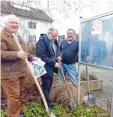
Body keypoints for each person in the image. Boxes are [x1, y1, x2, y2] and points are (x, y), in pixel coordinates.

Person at [1, 14, 38, 117]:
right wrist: (16, 54)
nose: (14, 24)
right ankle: (13, 115)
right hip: (9, 74)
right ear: (6, 23)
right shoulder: (2, 36)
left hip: (19, 71)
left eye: (16, 23)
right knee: (14, 97)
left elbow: (23, 51)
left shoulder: (17, 35)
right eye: (12, 22)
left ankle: (14, 114)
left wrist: (31, 57)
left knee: (17, 95)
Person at [36, 28, 61, 110]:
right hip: (45, 67)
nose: (55, 38)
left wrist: (58, 56)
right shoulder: (42, 41)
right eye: (54, 36)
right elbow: (42, 56)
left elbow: (55, 51)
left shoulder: (53, 40)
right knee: (46, 86)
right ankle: (47, 105)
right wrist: (54, 63)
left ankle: (44, 102)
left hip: (50, 68)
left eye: (56, 36)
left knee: (49, 85)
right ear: (49, 33)